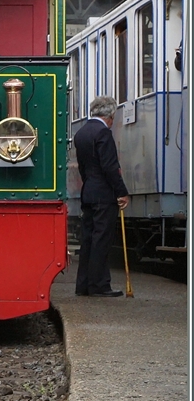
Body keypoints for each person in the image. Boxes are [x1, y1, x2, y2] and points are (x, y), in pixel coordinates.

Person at [73, 95, 131, 297]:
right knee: (102, 240)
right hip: (104, 195)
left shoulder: (81, 133)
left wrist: (89, 184)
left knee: (88, 239)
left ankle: (83, 285)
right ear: (111, 115)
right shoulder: (103, 133)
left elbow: (83, 167)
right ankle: (99, 285)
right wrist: (121, 192)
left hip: (88, 191)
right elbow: (110, 167)